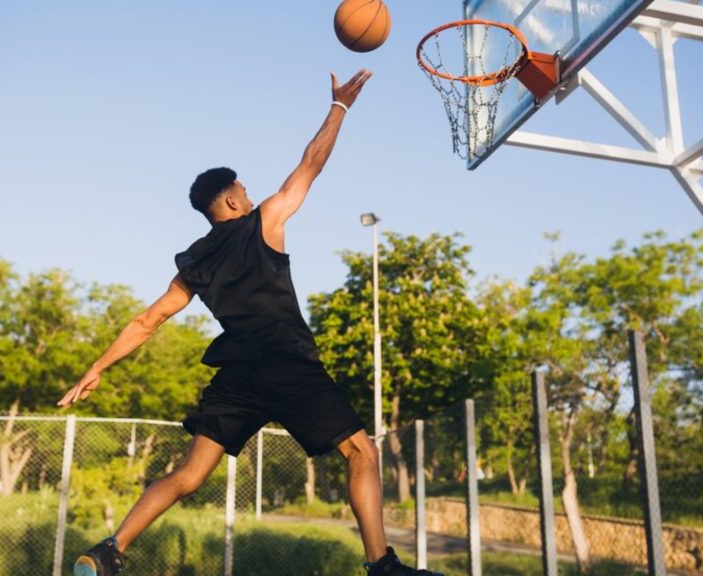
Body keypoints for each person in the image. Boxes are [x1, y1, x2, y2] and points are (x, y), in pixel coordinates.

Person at [58, 69, 442, 576]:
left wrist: (98, 366)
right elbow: (313, 162)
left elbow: (148, 320)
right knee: (361, 452)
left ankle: (110, 550)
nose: (252, 193)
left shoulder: (196, 260)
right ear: (234, 200)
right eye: (245, 188)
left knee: (190, 475)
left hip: (237, 376)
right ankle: (382, 567)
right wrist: (339, 107)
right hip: (287, 364)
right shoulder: (265, 221)